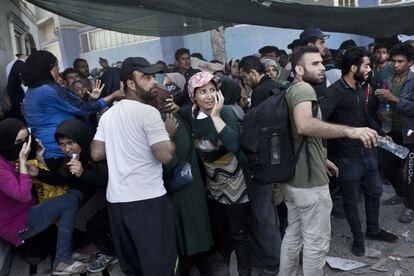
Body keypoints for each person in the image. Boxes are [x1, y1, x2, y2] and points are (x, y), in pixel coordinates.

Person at [279, 46, 379, 276]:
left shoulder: (291, 88)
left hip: (296, 178)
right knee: (316, 243)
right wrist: (350, 131)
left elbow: (299, 133)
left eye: (322, 62)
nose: (323, 66)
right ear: (298, 69)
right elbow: (305, 125)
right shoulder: (304, 88)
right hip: (310, 184)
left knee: (293, 235)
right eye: (315, 63)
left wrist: (322, 159)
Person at [91, 57, 177, 275]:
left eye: (153, 77)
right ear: (130, 83)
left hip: (118, 202)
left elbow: (96, 152)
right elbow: (165, 155)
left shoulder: (108, 115)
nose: (153, 83)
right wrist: (168, 135)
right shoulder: (148, 113)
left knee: (133, 267)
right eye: (146, 78)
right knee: (159, 265)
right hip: (148, 200)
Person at [320, 47, 398, 256]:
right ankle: (358, 238)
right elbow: (319, 123)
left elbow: (363, 116)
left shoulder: (359, 88)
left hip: (368, 153)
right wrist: (325, 152)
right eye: (366, 65)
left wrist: (381, 134)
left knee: (375, 191)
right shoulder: (335, 91)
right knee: (351, 201)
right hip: (346, 158)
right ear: (353, 67)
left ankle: (373, 229)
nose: (369, 69)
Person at [181, 71, 251, 275]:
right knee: (223, 228)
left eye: (212, 90)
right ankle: (229, 263)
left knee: (239, 232)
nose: (209, 96)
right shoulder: (190, 114)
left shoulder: (226, 112)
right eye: (202, 91)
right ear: (193, 96)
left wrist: (215, 116)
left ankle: (244, 272)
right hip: (213, 183)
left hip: (236, 182)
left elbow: (233, 144)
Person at [0, 118, 86, 275]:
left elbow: (50, 181)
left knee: (74, 196)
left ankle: (61, 253)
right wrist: (22, 160)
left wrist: (38, 158)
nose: (24, 146)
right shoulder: (2, 167)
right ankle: (62, 260)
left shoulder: (9, 159)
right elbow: (24, 196)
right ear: (5, 141)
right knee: (69, 201)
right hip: (17, 224)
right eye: (19, 141)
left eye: (26, 140)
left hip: (30, 213)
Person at [147, 85, 214, 276]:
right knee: (194, 228)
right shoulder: (176, 117)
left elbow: (170, 161)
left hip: (180, 186)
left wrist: (167, 138)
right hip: (191, 182)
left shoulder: (164, 120)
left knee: (187, 230)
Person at [22, 50, 124, 171]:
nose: (58, 70)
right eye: (56, 66)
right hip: (60, 151)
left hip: (48, 150)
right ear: (46, 68)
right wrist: (112, 96)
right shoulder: (47, 89)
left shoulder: (31, 91)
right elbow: (84, 108)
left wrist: (91, 99)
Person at [238, 55, 282, 275]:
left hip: (264, 164)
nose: (245, 82)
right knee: (273, 214)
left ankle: (273, 264)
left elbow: (258, 134)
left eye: (245, 77)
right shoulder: (277, 87)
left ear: (252, 72)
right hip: (278, 161)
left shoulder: (261, 92)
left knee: (264, 216)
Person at [375, 43, 414, 223]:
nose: (396, 65)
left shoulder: (413, 82)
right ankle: (401, 193)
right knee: (388, 166)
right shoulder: (388, 81)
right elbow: (382, 105)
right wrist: (382, 112)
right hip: (391, 131)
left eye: (401, 61)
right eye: (394, 61)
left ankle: (410, 206)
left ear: (410, 62)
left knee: (412, 171)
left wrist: (394, 99)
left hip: (410, 133)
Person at [299, 27, 330, 99]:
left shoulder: (320, 66)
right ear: (310, 45)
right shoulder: (302, 70)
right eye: (321, 42)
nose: (325, 46)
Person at [5, 54, 28, 122]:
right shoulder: (20, 64)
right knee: (19, 113)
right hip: (16, 94)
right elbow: (25, 81)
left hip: (14, 92)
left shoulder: (16, 64)